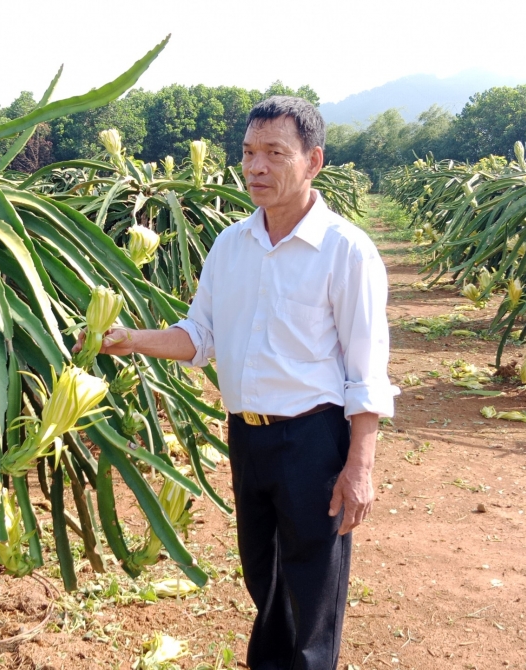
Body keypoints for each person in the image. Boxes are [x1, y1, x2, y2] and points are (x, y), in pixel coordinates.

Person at [94, 96, 397, 669]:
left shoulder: (345, 250)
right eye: (249, 153)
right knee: (265, 578)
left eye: (275, 153)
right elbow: (199, 336)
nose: (256, 167)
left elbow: (367, 369)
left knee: (312, 591)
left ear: (314, 161)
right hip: (246, 436)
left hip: (313, 440)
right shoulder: (231, 244)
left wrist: (360, 466)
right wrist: (131, 339)